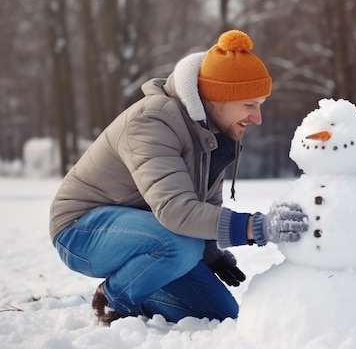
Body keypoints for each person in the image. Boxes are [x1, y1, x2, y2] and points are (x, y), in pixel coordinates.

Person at [48, 30, 309, 326]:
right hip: (81, 230)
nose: (257, 118)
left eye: (260, 104)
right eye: (250, 104)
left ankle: (142, 291)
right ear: (217, 97)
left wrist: (211, 252)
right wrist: (256, 227)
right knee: (181, 247)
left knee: (220, 314)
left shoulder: (215, 135)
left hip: (152, 231)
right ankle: (113, 298)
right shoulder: (153, 120)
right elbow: (175, 210)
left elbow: (205, 202)